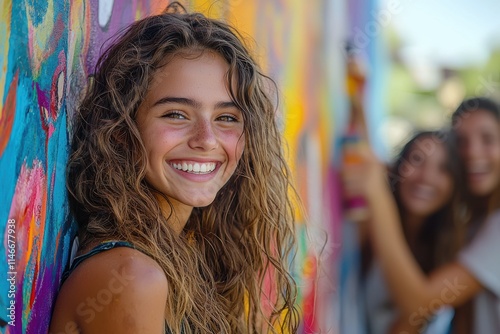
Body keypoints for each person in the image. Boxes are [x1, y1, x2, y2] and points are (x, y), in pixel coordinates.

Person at [49, 3, 300, 333]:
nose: (207, 140)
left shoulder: (179, 259)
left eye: (226, 118)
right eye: (176, 114)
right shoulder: (131, 278)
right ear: (122, 130)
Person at [343, 96, 500, 333]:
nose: (473, 153)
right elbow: (385, 170)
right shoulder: (470, 225)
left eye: (487, 139)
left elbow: (419, 304)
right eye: (462, 141)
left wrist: (378, 195)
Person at [362, 130, 464, 334]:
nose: (426, 177)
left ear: (454, 184)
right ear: (398, 166)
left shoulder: (455, 254)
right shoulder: (366, 226)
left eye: (443, 169)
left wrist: (377, 195)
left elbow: (410, 320)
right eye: (417, 160)